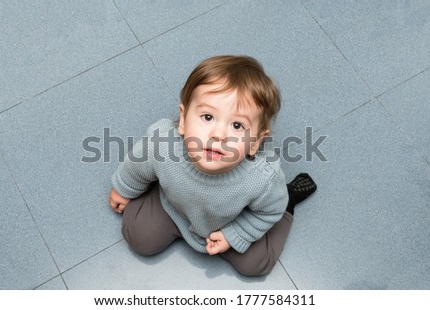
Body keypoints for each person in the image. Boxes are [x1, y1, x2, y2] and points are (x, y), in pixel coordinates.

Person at [109, 55, 316, 276]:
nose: (218, 135)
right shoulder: (163, 142)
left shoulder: (262, 179)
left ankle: (290, 202)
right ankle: (156, 190)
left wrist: (236, 234)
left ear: (255, 142)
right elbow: (137, 164)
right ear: (183, 119)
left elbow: (267, 213)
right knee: (138, 237)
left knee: (256, 265)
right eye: (207, 117)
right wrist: (124, 188)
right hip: (172, 208)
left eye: (237, 125)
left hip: (226, 225)